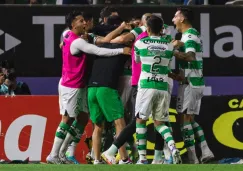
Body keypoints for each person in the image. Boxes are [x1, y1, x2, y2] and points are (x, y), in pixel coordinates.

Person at [46, 10, 131, 164]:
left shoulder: (70, 35)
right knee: (67, 119)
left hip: (80, 84)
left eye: (84, 20)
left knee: (83, 118)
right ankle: (53, 154)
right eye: (80, 21)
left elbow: (105, 39)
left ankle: (64, 153)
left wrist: (121, 27)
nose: (84, 23)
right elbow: (98, 50)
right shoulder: (77, 41)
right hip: (71, 85)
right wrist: (121, 50)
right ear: (72, 24)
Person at [133, 15, 182, 164]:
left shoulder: (140, 43)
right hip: (162, 87)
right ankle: (173, 147)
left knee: (140, 121)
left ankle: (142, 159)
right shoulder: (169, 45)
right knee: (160, 123)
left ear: (147, 28)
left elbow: (137, 60)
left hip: (146, 86)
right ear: (162, 29)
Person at [172, 7, 214, 164]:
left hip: (191, 83)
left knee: (184, 120)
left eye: (175, 17)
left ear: (182, 18)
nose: (173, 20)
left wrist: (172, 51)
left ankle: (193, 159)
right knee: (189, 119)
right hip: (193, 81)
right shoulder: (190, 35)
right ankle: (205, 150)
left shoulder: (189, 35)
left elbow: (189, 57)